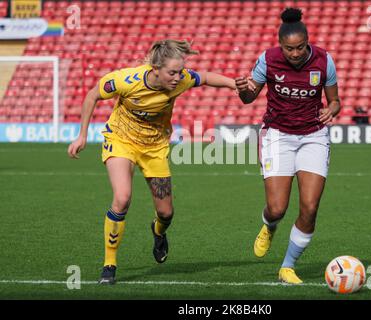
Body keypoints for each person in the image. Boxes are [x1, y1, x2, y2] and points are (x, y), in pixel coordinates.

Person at [67, 39, 239, 285]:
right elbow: (92, 95)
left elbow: (207, 77)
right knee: (122, 198)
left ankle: (158, 232)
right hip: (121, 140)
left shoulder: (181, 81)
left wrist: (234, 84)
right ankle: (109, 265)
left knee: (166, 213)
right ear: (155, 69)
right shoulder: (126, 80)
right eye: (172, 72)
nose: (178, 77)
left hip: (155, 148)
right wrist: (82, 134)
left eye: (180, 72)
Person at [235, 8, 341, 284]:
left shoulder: (324, 61)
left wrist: (332, 109)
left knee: (309, 207)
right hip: (278, 135)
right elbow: (249, 98)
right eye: (289, 49)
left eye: (300, 48)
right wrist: (243, 88)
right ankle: (269, 226)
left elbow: (335, 100)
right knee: (277, 208)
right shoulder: (267, 60)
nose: (294, 54)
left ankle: (287, 266)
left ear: (308, 42)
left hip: (314, 136)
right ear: (280, 45)